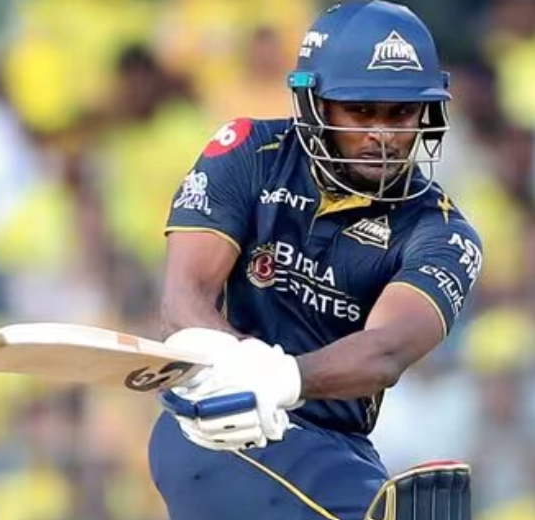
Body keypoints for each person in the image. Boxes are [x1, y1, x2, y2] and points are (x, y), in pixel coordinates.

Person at [148, 2, 482, 520]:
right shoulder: (248, 153)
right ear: (314, 104)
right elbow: (183, 299)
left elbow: (385, 351)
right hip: (215, 426)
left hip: (336, 446)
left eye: (400, 113)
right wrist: (238, 369)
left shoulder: (441, 232)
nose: (383, 135)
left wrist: (282, 378)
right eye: (361, 111)